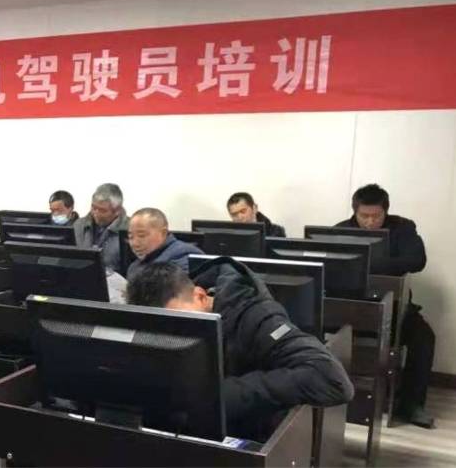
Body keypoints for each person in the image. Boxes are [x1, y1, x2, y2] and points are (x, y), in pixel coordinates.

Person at [127, 261, 354, 440]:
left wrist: (220, 395)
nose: (175, 335)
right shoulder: (163, 320)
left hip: (249, 432)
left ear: (200, 296)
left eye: (179, 324)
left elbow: (332, 380)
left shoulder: (256, 316)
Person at [336, 183, 434, 428]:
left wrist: (365, 263)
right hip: (352, 307)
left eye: (376, 216)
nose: (370, 222)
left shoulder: (403, 228)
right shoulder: (341, 230)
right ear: (355, 212)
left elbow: (417, 260)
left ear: (385, 211)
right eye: (364, 216)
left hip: (397, 307)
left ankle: (412, 404)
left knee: (424, 338)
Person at [126, 207, 202, 281]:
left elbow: (174, 286)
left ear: (163, 233)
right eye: (131, 237)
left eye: (141, 236)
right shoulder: (134, 266)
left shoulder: (183, 253)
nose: (135, 244)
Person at [74, 183, 130, 272]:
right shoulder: (79, 225)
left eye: (102, 210)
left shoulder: (130, 229)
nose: (95, 213)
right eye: (93, 207)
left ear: (117, 211)